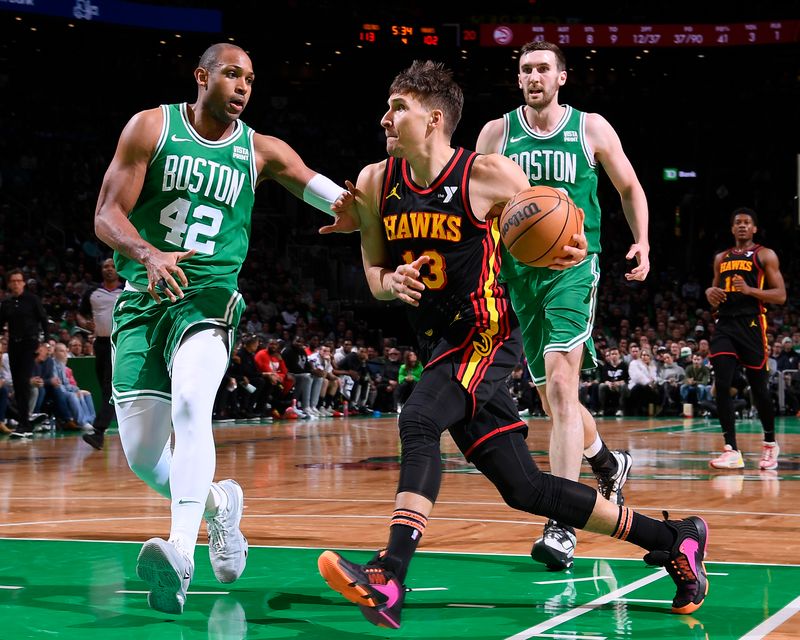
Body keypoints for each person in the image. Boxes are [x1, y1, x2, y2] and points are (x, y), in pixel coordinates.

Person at [317, 59, 709, 630]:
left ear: (432, 119)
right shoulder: (377, 180)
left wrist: (567, 244)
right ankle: (675, 539)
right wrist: (389, 283)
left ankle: (391, 573)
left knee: (419, 420)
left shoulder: (490, 175)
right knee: (524, 489)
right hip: (437, 341)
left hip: (487, 333)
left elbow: (551, 221)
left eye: (397, 108)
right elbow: (375, 272)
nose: (384, 119)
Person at [93, 42, 352, 614]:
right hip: (142, 297)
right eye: (232, 74)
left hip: (208, 298)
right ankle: (219, 507)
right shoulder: (151, 128)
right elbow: (106, 214)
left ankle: (180, 551)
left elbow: (322, 188)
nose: (242, 86)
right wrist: (147, 251)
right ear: (202, 76)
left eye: (251, 79)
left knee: (191, 406)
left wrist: (355, 207)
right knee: (140, 454)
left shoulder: (261, 150)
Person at [475, 40, 647, 568]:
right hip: (518, 273)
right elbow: (478, 203)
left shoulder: (590, 127)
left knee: (562, 384)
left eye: (543, 68)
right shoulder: (496, 132)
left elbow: (630, 185)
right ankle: (607, 461)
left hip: (574, 266)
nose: (533, 76)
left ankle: (563, 520)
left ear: (562, 77)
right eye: (525, 69)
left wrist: (641, 240)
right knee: (553, 397)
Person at [706, 207, 786, 470]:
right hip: (725, 325)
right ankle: (731, 449)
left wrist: (751, 290)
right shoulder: (721, 257)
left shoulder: (765, 255)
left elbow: (780, 295)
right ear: (732, 228)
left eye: (747, 222)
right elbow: (715, 294)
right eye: (737, 222)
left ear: (754, 229)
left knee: (759, 389)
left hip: (752, 323)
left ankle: (770, 444)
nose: (742, 226)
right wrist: (710, 293)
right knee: (722, 382)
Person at [78, 258, 124, 449]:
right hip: (101, 343)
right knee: (105, 386)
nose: (109, 269)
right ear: (101, 270)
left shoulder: (127, 289)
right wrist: (84, 323)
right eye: (106, 266)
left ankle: (98, 431)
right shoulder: (92, 292)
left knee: (108, 387)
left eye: (112, 266)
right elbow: (80, 314)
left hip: (120, 343)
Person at [0, 269, 51, 437]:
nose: (15, 283)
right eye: (12, 281)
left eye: (18, 280)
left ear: (23, 282)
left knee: (23, 381)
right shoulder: (6, 302)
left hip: (30, 344)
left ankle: (24, 423)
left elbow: (44, 320)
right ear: (9, 284)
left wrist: (46, 343)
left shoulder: (32, 299)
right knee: (18, 382)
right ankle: (25, 421)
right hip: (14, 345)